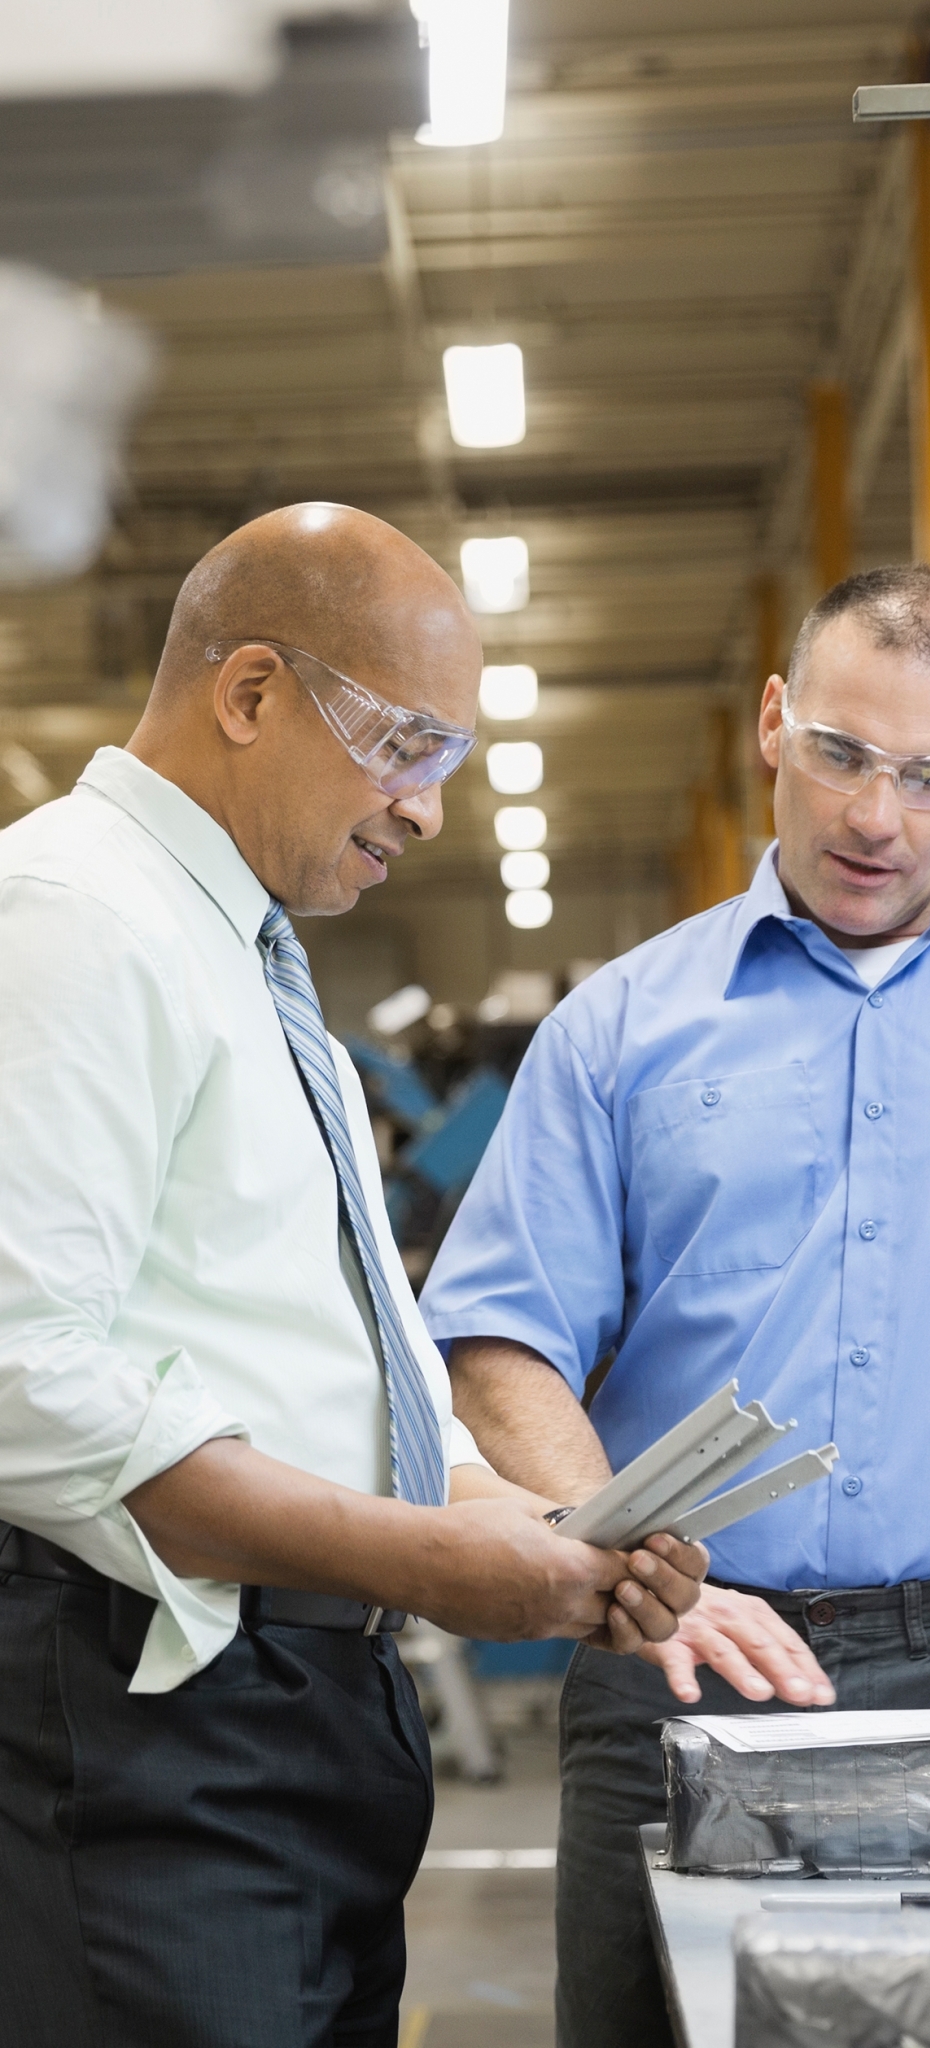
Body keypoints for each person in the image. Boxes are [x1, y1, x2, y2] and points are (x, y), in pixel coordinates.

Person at [421, 563, 930, 2048]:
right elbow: (498, 1339)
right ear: (771, 724)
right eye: (844, 754)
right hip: (679, 1663)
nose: (879, 816)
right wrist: (620, 1561)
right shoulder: (618, 1026)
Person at [0, 502, 708, 2048]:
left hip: (287, 1728)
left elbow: (305, 1350)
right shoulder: (69, 918)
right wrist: (419, 1562)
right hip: (149, 1729)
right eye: (406, 746)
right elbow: (25, 1384)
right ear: (249, 693)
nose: (427, 811)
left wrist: (515, 1520)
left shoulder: (244, 957)